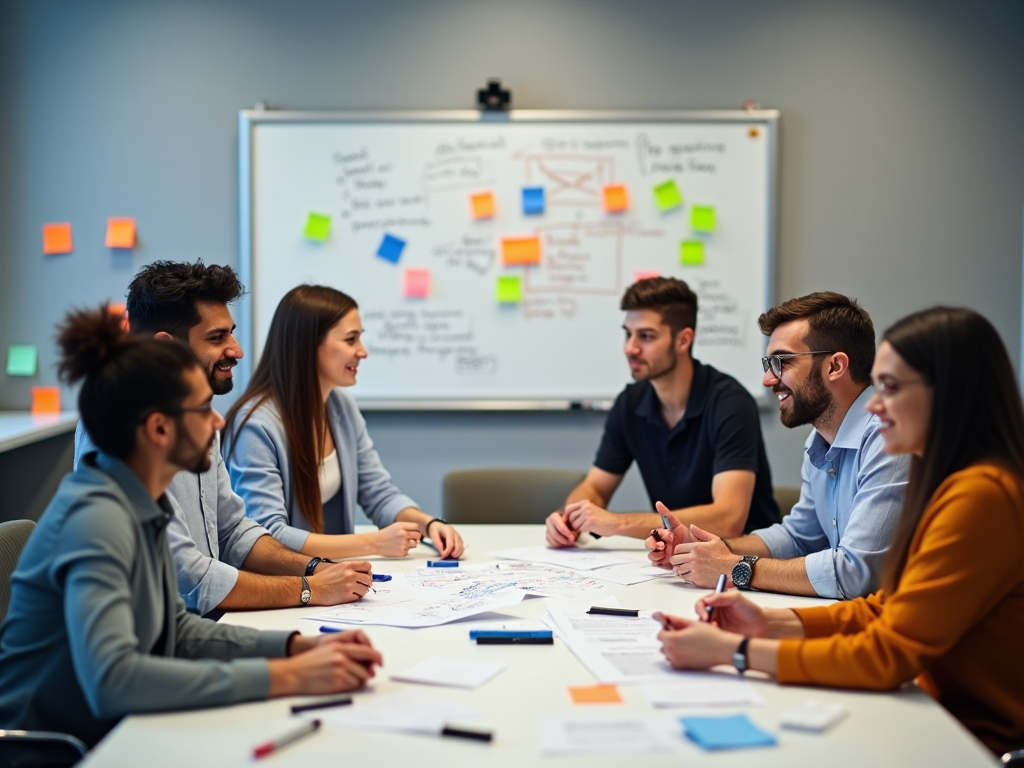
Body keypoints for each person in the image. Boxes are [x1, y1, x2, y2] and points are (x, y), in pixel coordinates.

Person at [0, 307, 383, 751]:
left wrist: (293, 649)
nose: (218, 422)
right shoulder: (97, 520)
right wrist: (287, 677)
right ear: (159, 429)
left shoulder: (142, 501)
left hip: (118, 730)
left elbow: (177, 632)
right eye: (203, 409)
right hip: (56, 751)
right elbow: (113, 681)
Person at [654, 306, 1024, 756]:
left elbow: (884, 651)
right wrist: (766, 621)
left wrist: (732, 651)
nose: (873, 404)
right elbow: (883, 609)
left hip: (970, 739)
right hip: (931, 710)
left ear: (947, 393)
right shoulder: (954, 484)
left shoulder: (980, 496)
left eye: (889, 387)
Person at [74, 261, 371, 617]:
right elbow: (190, 579)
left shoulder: (193, 412)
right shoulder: (120, 430)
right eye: (217, 338)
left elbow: (233, 532)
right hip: (155, 645)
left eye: (230, 333)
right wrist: (310, 590)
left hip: (198, 627)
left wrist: (315, 569)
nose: (236, 349)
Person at [649, 292, 909, 598]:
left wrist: (734, 567)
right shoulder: (820, 440)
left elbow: (855, 574)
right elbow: (799, 538)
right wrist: (703, 550)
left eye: (781, 362)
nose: (768, 380)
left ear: (835, 366)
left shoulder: (891, 437)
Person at [223, 285, 464, 560]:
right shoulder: (256, 425)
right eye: (351, 340)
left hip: (329, 579)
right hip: (283, 584)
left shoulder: (341, 406)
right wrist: (373, 544)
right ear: (308, 345)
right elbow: (267, 535)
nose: (363, 352)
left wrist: (429, 524)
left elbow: (379, 494)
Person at [545, 277, 779, 548]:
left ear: (683, 340)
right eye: (628, 333)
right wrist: (570, 518)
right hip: (677, 557)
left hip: (745, 561)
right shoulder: (630, 403)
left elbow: (729, 518)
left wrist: (617, 523)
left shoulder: (730, 403)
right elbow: (595, 487)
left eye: (646, 336)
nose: (630, 347)